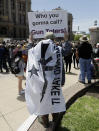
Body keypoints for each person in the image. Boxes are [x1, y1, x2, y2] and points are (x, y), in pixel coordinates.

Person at [25, 32, 66, 131]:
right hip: (54, 81)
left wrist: (30, 41)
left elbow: (28, 51)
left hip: (41, 82)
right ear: (53, 39)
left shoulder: (37, 48)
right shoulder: (58, 49)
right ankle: (55, 121)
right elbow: (67, 51)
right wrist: (66, 40)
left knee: (43, 102)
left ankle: (46, 123)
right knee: (54, 99)